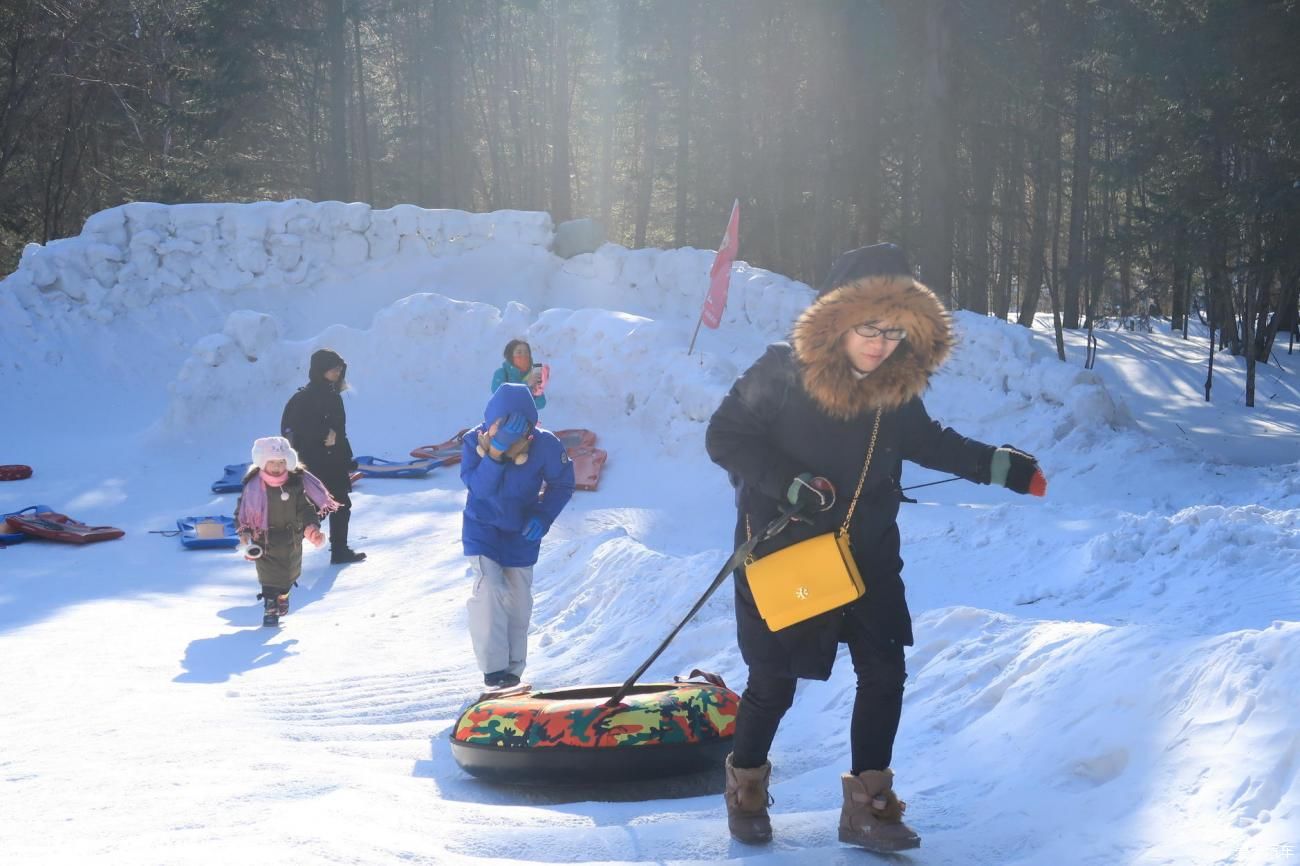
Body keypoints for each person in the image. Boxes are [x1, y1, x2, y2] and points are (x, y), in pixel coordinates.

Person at [705, 243, 1047, 852]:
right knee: (775, 680)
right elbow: (725, 436)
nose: (880, 342)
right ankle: (747, 785)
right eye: (870, 326)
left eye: (893, 330)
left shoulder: (894, 390)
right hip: (790, 554)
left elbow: (930, 441)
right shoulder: (780, 373)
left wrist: (998, 466)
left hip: (867, 553)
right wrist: (787, 482)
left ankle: (869, 804)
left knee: (884, 669)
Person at [460, 382, 575, 688]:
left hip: (522, 531)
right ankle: (493, 669)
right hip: (482, 529)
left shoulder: (545, 445)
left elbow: (562, 483)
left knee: (519, 601)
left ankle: (512, 672)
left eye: (520, 427)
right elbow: (479, 489)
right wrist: (496, 454)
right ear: (490, 421)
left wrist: (543, 515)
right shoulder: (475, 441)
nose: (511, 432)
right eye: (502, 424)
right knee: (490, 590)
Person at [235, 436, 339, 627]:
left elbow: (305, 508)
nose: (277, 467)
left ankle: (283, 595)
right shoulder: (254, 487)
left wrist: (312, 526)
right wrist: (245, 531)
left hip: (291, 539)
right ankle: (270, 607)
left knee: (288, 577)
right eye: (272, 462)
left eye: (281, 462)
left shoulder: (295, 483)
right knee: (268, 578)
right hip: (264, 540)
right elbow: (244, 510)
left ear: (288, 462)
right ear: (262, 463)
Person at [281, 348, 366, 564]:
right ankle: (285, 553)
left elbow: (340, 430)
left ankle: (339, 550)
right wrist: (323, 434)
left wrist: (346, 457)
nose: (337, 372)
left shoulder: (334, 396)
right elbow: (294, 428)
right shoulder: (303, 398)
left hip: (334, 461)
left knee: (341, 505)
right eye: (333, 369)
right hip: (312, 462)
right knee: (313, 509)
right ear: (320, 370)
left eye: (339, 369)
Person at [491, 339, 547, 410]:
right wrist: (527, 384)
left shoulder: (531, 375)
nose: (523, 355)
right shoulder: (502, 373)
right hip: (506, 420)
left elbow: (541, 403)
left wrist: (538, 389)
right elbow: (500, 396)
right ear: (510, 355)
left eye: (526, 352)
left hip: (525, 420)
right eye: (519, 352)